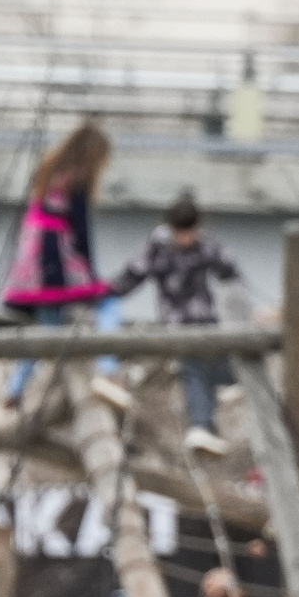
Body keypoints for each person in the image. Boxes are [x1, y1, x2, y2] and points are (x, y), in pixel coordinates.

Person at [106, 193, 241, 456]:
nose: (185, 239)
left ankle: (217, 402)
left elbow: (230, 271)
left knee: (215, 361)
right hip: (175, 322)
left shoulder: (205, 245)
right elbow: (134, 274)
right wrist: (106, 292)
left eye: (189, 233)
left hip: (205, 321)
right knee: (193, 365)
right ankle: (203, 425)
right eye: (180, 232)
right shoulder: (159, 244)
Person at [3, 120, 124, 409]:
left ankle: (14, 389)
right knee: (108, 304)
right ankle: (108, 370)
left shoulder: (48, 171)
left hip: (34, 263)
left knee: (49, 331)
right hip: (57, 260)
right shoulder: (78, 179)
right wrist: (91, 276)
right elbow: (81, 233)